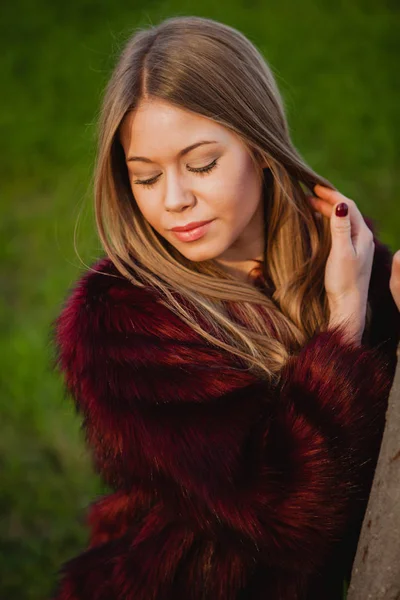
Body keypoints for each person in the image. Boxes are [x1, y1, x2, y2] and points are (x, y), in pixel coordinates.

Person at [49, 15, 400, 600]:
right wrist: (342, 324)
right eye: (144, 177)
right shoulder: (123, 320)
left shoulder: (348, 261)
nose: (175, 201)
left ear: (261, 148)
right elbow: (284, 509)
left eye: (201, 163)